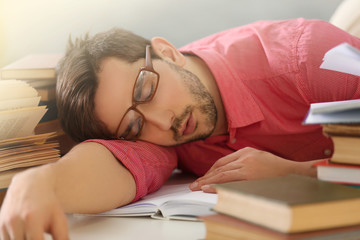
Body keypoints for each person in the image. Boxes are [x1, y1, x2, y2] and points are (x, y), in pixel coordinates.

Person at [1, 17, 360, 239]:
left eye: (146, 89)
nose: (161, 121)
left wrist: (293, 175)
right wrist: (38, 181)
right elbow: (114, 164)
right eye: (133, 124)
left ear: (167, 52)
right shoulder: (165, 135)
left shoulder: (310, 58)